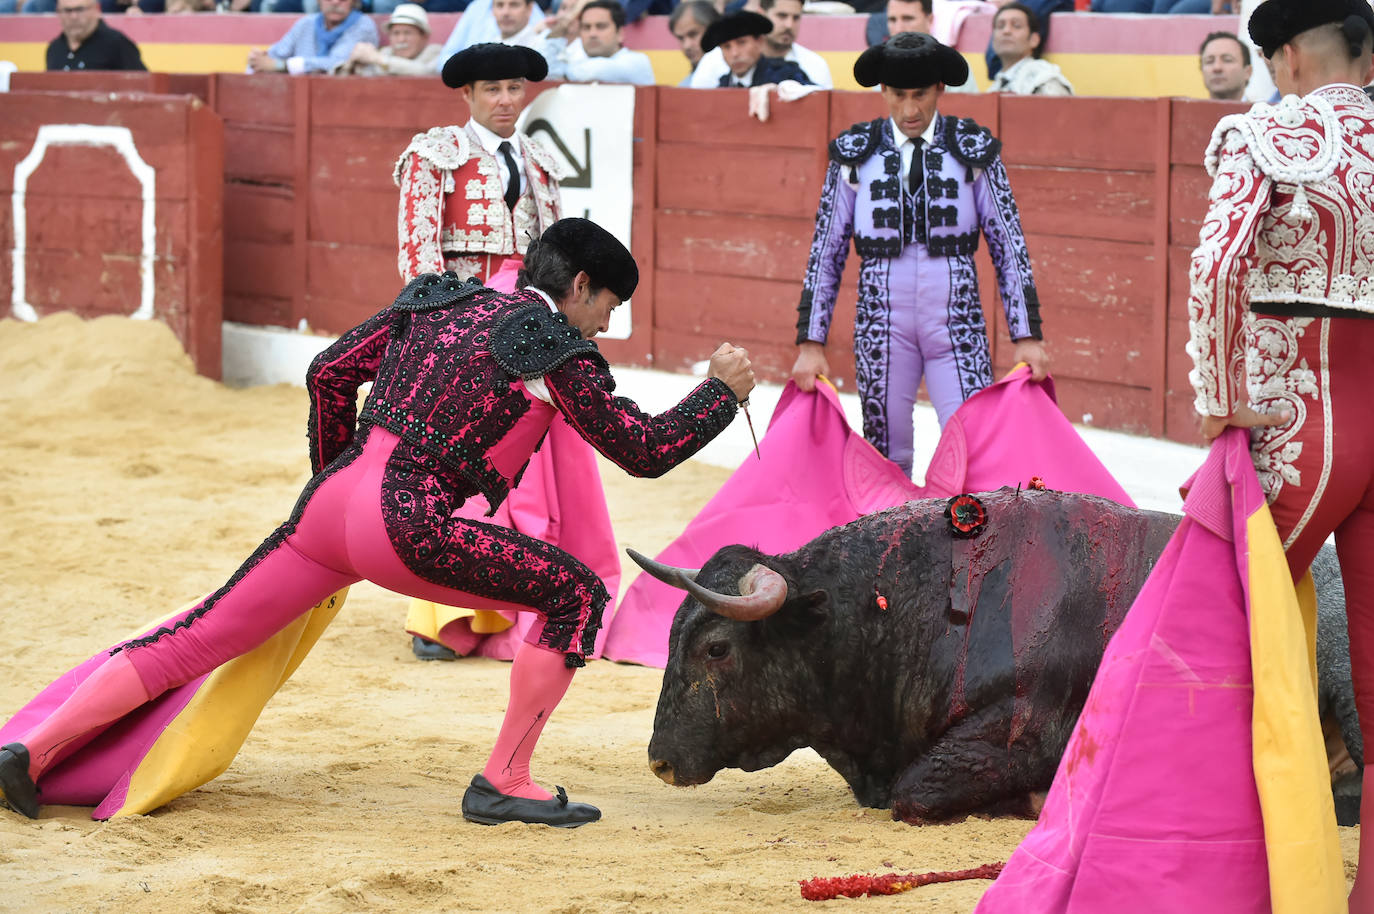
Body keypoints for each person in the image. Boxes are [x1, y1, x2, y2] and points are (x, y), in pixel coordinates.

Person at [0, 219, 756, 829]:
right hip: (410, 523)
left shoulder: (435, 299)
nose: (605, 326)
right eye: (608, 308)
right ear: (581, 286)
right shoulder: (555, 346)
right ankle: (506, 780)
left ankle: (32, 753)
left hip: (326, 512)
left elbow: (328, 372)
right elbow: (645, 450)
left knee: (195, 636)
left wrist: (335, 478)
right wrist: (718, 394)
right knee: (578, 593)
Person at [1185, 2, 1374, 905]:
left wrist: (1223, 399)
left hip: (1304, 413)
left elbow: (1219, 268)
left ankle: (1206, 853)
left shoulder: (1264, 131)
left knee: (1213, 623)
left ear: (1288, 54)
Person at [793, 32, 1048, 477]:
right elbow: (826, 251)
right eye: (898, 95)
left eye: (921, 94)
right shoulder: (855, 155)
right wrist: (810, 344)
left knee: (972, 451)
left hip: (959, 322)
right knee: (885, 456)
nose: (910, 111)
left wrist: (1027, 336)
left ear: (940, 89)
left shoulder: (972, 150)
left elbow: (1009, 244)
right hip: (880, 323)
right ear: (883, 91)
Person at [395, 43, 563, 286]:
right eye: (492, 90)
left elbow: (555, 254)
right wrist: (442, 313)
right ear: (467, 93)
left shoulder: (540, 159)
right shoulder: (435, 154)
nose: (506, 100)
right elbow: (419, 251)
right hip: (462, 306)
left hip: (528, 311)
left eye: (514, 88)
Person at [688, 0, 827, 89]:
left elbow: (816, 93)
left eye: (742, 43)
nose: (735, 53)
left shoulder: (786, 72)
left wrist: (785, 89)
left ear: (759, 41)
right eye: (726, 47)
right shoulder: (722, 83)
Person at [865, 0, 977, 93]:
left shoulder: (953, 64)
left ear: (929, 20)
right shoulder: (881, 67)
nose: (899, 29)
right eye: (892, 20)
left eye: (908, 18)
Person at [541, 0, 656, 85]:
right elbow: (545, 72)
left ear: (620, 33)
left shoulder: (638, 62)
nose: (592, 34)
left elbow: (594, 71)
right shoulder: (577, 62)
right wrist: (562, 27)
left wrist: (571, 16)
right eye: (586, 27)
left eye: (601, 26)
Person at [248, 0, 378, 75]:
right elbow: (276, 53)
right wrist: (258, 59)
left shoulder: (363, 25)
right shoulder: (307, 23)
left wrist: (282, 65)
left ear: (354, 1)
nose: (335, 2)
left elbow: (337, 64)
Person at [987, 2, 1073, 95]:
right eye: (1000, 26)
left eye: (1016, 25)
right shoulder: (994, 87)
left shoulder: (1045, 79)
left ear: (1034, 39)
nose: (1006, 31)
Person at [335, 3, 441, 77]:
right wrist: (352, 63)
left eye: (408, 33)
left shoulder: (436, 52)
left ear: (424, 37)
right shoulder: (386, 52)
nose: (401, 39)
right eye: (396, 33)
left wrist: (379, 59)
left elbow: (425, 71)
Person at [45, 0, 146, 72]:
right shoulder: (54, 49)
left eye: (80, 9)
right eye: (67, 10)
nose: (73, 17)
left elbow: (144, 86)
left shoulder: (117, 44)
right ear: (58, 12)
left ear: (96, 9)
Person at [434, 0, 547, 64]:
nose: (505, 12)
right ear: (492, 9)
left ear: (529, 9)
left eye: (514, 5)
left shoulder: (542, 36)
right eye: (499, 5)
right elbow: (445, 58)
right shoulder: (477, 7)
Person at [670, 0, 721, 85]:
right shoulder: (684, 86)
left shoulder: (736, 76)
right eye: (681, 38)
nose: (687, 46)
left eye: (693, 34)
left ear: (713, 29)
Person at [1198, 30, 1252, 101]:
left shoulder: (1262, 111)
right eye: (1209, 61)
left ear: (1247, 71)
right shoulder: (1189, 112)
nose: (1217, 67)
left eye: (1227, 60)